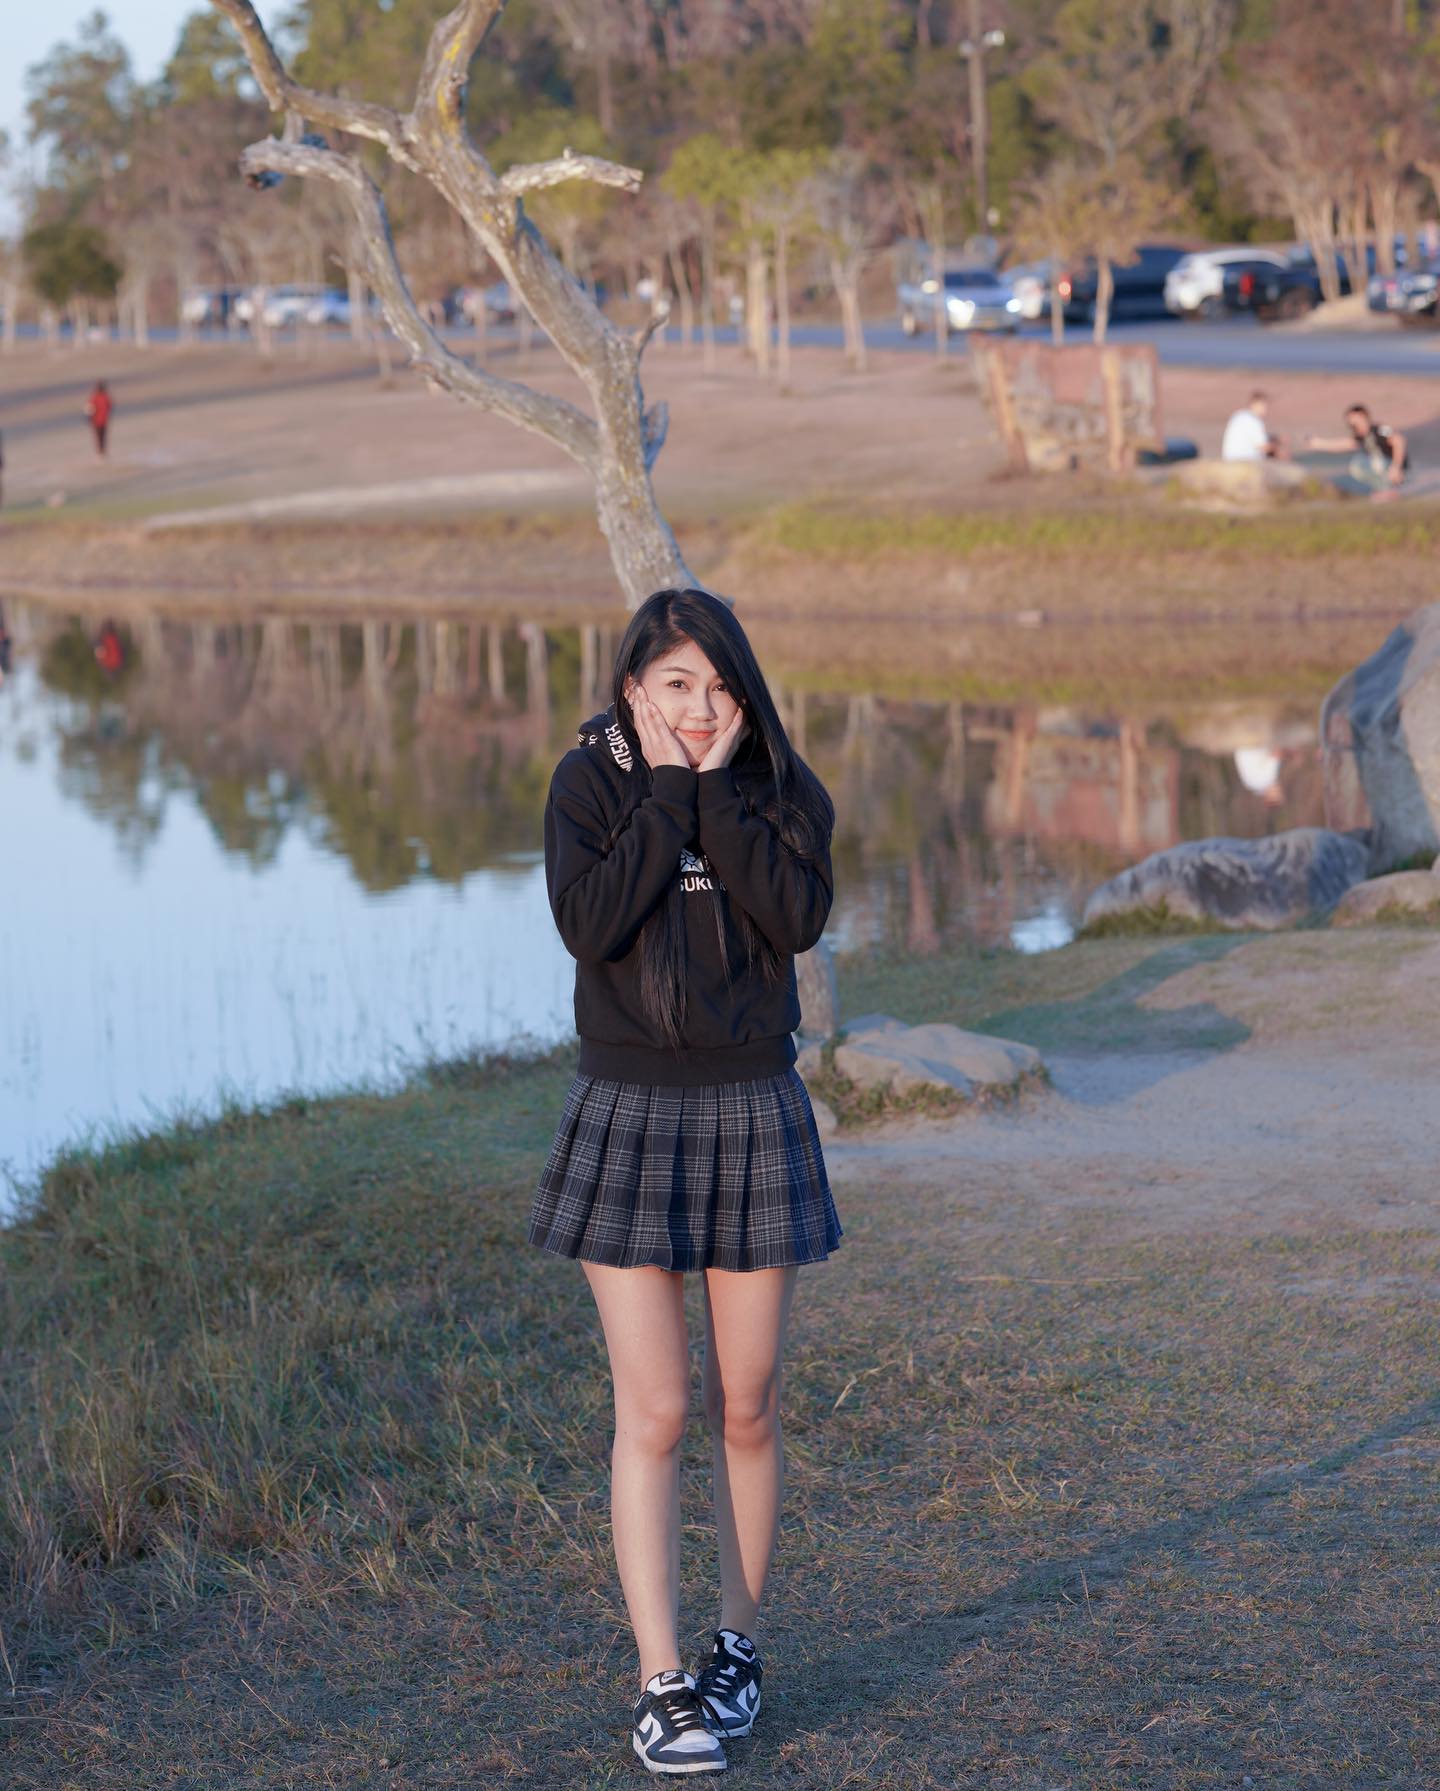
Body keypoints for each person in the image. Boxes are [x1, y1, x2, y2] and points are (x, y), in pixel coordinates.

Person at [530, 587, 841, 1777]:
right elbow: (591, 926)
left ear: (744, 689)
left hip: (753, 1106)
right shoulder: (587, 784)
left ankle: (735, 1650)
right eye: (676, 685)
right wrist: (666, 793)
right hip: (629, 1110)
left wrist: (714, 794)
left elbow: (795, 919)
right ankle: (661, 1682)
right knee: (655, 1409)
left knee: (746, 1405)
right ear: (632, 689)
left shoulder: (780, 787)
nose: (702, 706)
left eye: (718, 685)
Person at [1307, 403, 1409, 497]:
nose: (1352, 424)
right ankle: (1384, 490)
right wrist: (1319, 444)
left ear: (1363, 416)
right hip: (1382, 467)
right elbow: (1344, 444)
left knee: (1366, 462)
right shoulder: (1361, 437)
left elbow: (1398, 440)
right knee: (1358, 464)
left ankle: (1388, 490)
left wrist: (1396, 466)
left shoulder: (1379, 429)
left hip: (1396, 466)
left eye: (1354, 420)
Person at [1220, 390, 1284, 462]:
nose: (1266, 409)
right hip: (1244, 460)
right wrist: (1278, 450)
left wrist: (1277, 439)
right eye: (1264, 405)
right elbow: (1262, 446)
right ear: (1255, 404)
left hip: (1229, 459)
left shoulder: (1239, 415)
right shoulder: (1254, 421)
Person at [85, 381, 112, 457]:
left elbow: (89, 408)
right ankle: (101, 451)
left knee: (99, 436)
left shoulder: (96, 397)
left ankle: (101, 451)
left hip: (98, 421)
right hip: (101, 420)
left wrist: (89, 417)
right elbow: (109, 406)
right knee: (101, 436)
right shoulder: (104, 397)